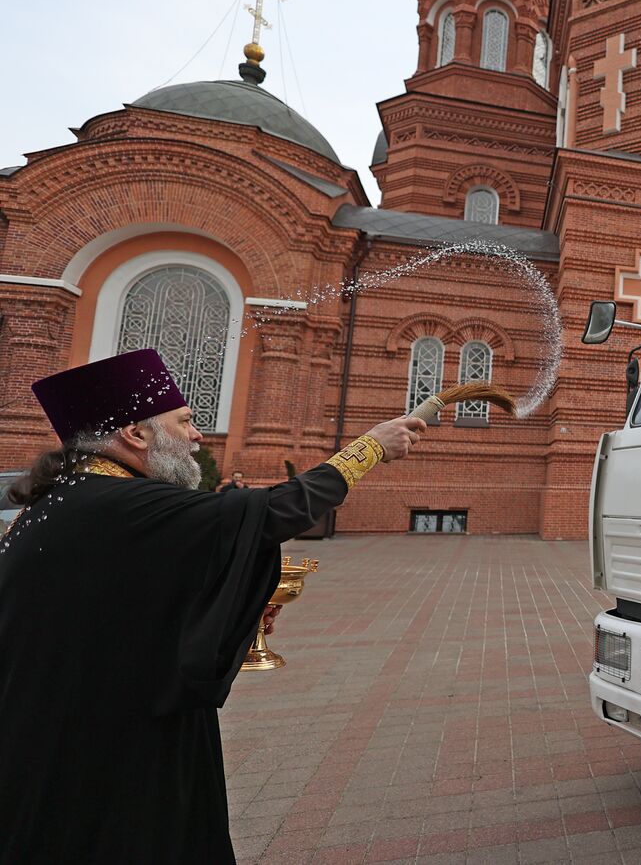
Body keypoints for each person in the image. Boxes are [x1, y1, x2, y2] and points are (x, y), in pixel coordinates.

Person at [0, 349, 427, 864]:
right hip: (111, 740)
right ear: (135, 434)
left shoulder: (71, 498)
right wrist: (370, 449)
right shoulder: (122, 503)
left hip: (62, 722)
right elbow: (273, 512)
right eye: (185, 421)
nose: (198, 436)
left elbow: (123, 597)